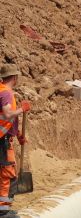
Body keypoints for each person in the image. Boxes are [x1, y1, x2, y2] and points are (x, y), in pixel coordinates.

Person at [0, 65, 31, 217]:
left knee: (6, 174)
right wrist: (22, 109)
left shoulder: (2, 90)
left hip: (5, 138)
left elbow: (8, 120)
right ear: (14, 78)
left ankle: (5, 209)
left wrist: (17, 134)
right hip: (2, 141)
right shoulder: (5, 93)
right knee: (7, 175)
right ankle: (3, 212)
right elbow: (7, 115)